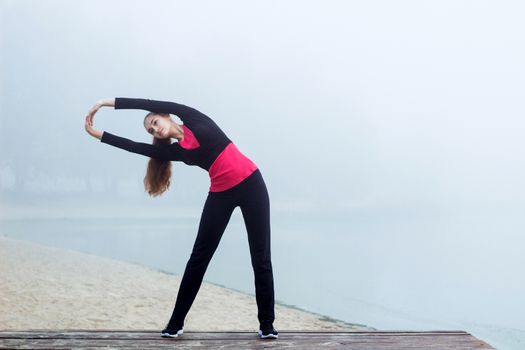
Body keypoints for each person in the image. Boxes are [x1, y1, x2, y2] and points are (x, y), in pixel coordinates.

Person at [84, 97, 278, 339]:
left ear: (166, 115)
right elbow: (135, 147)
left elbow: (145, 101)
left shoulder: (193, 117)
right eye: (151, 130)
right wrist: (98, 134)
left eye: (154, 122)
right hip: (220, 194)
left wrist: (105, 103)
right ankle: (176, 323)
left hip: (252, 185)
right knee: (198, 259)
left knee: (261, 258)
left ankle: (267, 325)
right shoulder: (173, 151)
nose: (154, 129)